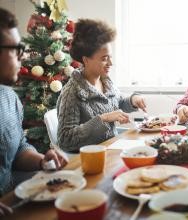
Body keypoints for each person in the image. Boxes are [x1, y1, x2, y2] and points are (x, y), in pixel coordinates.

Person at [0, 8, 68, 216]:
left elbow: (19, 148)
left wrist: (41, 160)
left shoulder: (10, 99)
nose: (23, 56)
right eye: (16, 49)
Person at [57, 19, 146, 152]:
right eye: (104, 59)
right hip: (88, 159)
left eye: (110, 57)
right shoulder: (72, 93)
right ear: (86, 60)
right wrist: (103, 119)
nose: (110, 63)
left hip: (111, 150)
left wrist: (133, 100)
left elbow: (118, 103)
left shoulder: (105, 80)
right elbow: (65, 140)